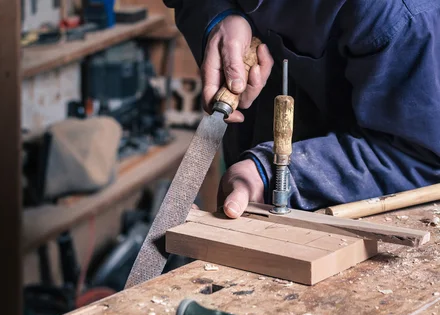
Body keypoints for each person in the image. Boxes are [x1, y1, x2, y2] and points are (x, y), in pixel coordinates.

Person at [164, 1, 440, 219]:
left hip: (345, 213)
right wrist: (218, 17)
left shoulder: (404, 17)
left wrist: (274, 174)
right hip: (250, 162)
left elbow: (422, 159)